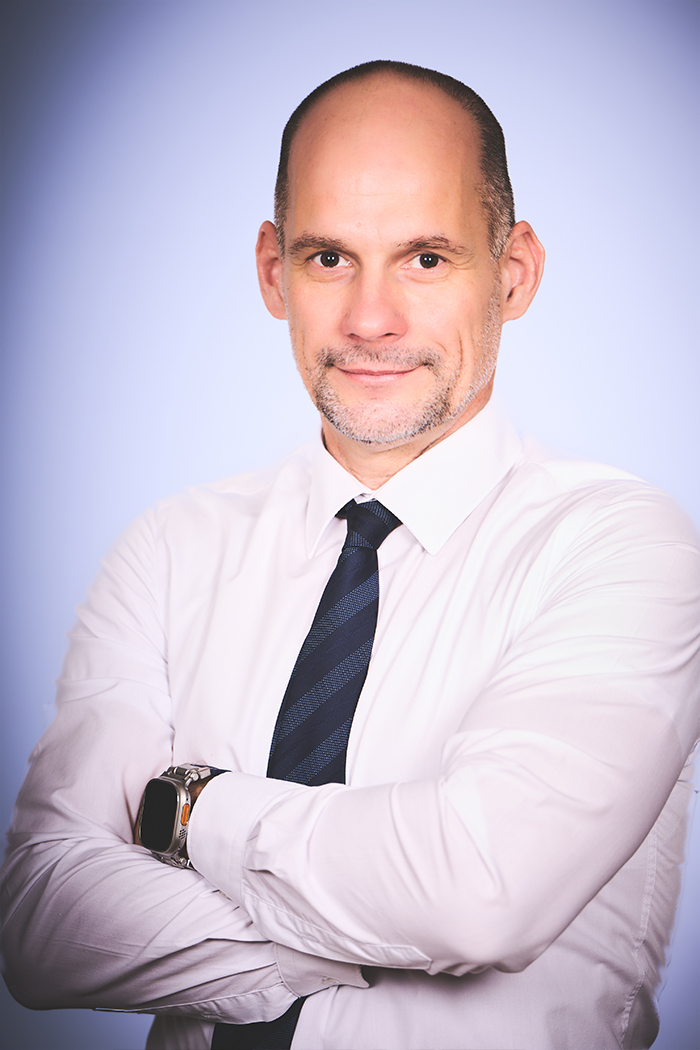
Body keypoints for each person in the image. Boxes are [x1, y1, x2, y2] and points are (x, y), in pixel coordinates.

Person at [2, 60, 699, 1050]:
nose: (371, 320)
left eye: (426, 258)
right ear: (272, 271)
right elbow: (41, 922)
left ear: (514, 273)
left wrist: (189, 810)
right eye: (330, 257)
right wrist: (383, 940)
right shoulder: (171, 549)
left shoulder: (622, 547)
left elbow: (478, 892)